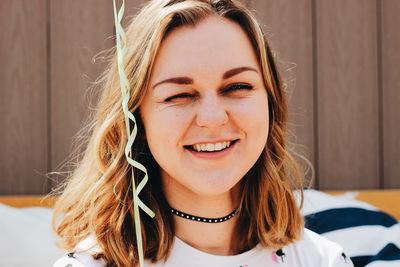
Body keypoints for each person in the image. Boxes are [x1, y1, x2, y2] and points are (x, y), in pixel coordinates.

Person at [52, 0, 354, 266]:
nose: (212, 118)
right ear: (135, 120)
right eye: (179, 95)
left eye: (237, 87)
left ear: (270, 103)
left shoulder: (323, 260)